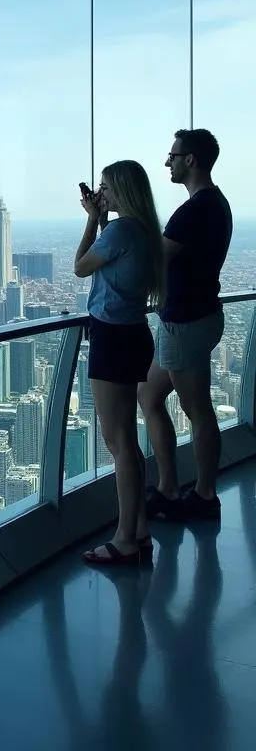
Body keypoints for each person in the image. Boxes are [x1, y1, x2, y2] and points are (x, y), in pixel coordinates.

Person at [74, 160, 164, 566]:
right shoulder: (143, 229)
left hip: (112, 338)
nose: (101, 194)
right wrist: (102, 216)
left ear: (122, 191)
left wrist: (93, 220)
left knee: (119, 442)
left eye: (106, 188)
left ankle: (126, 538)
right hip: (133, 334)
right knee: (127, 438)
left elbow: (80, 268)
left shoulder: (121, 230)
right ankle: (140, 530)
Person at [139, 128, 232, 520]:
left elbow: (153, 259)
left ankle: (204, 496)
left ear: (190, 160)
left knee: (198, 410)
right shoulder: (216, 203)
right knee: (149, 396)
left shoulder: (194, 211)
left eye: (173, 156)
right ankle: (169, 488)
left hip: (185, 323)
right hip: (193, 319)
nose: (167, 162)